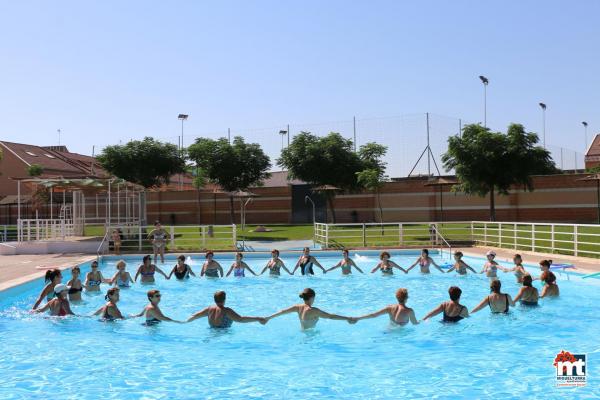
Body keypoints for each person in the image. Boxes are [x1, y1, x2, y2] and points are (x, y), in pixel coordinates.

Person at [266, 288, 356, 330]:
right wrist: (347, 318)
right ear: (312, 298)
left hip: (302, 333)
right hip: (311, 337)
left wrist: (268, 318)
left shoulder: (298, 307)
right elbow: (330, 316)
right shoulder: (313, 310)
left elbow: (282, 312)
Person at [186, 291, 267, 328]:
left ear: (215, 300)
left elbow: (195, 315)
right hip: (224, 335)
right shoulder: (226, 311)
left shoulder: (209, 308)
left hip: (212, 332)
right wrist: (258, 318)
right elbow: (241, 319)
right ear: (224, 300)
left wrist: (185, 321)